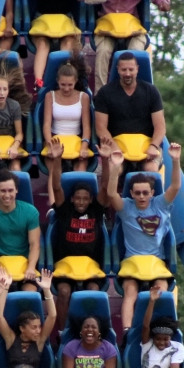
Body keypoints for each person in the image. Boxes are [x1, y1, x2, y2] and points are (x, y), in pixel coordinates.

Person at [106, 143, 182, 329]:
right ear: (131, 193)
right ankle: (127, 330)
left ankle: (162, 327)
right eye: (137, 193)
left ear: (152, 193)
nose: (141, 197)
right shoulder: (126, 208)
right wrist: (115, 168)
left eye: (145, 193)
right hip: (132, 261)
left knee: (162, 291)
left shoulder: (160, 205)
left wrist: (175, 160)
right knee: (131, 292)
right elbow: (110, 193)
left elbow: (176, 186)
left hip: (155, 261)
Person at [47, 138, 108, 325]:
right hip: (66, 266)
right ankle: (61, 332)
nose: (81, 202)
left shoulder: (96, 211)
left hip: (90, 267)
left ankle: (92, 329)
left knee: (93, 291)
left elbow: (105, 188)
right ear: (72, 199)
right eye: (78, 198)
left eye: (85, 199)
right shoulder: (65, 211)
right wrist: (57, 159)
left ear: (90, 200)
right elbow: (57, 187)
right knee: (64, 292)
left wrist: (105, 160)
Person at [81, 0, 169, 88]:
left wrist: (163, 3)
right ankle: (100, 94)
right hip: (107, 27)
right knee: (103, 52)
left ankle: (134, 92)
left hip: (133, 29)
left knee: (135, 53)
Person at [93, 51, 165, 172]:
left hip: (145, 147)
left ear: (137, 69)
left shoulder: (151, 91)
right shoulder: (105, 93)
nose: (127, 73)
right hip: (118, 145)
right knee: (113, 169)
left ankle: (150, 190)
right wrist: (114, 147)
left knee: (151, 169)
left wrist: (153, 146)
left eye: (131, 70)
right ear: (118, 70)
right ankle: (110, 191)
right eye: (124, 70)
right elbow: (100, 127)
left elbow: (160, 126)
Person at [0, 170, 42, 290]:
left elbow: (34, 244)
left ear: (16, 190)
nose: (7, 195)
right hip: (0, 263)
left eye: (10, 190)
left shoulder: (31, 212)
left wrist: (31, 267)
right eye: (3, 191)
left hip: (25, 264)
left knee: (29, 296)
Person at [29, 0, 82, 86]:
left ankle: (65, 78)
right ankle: (38, 82)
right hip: (42, 19)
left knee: (68, 43)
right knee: (43, 44)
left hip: (65, 19)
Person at [42, 63, 92, 172]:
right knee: (55, 173)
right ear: (57, 81)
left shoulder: (83, 97)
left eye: (70, 85)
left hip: (76, 140)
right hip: (55, 140)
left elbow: (87, 127)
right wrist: (50, 144)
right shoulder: (50, 96)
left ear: (76, 82)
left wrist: (84, 146)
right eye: (63, 84)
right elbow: (46, 125)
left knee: (80, 171)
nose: (66, 88)